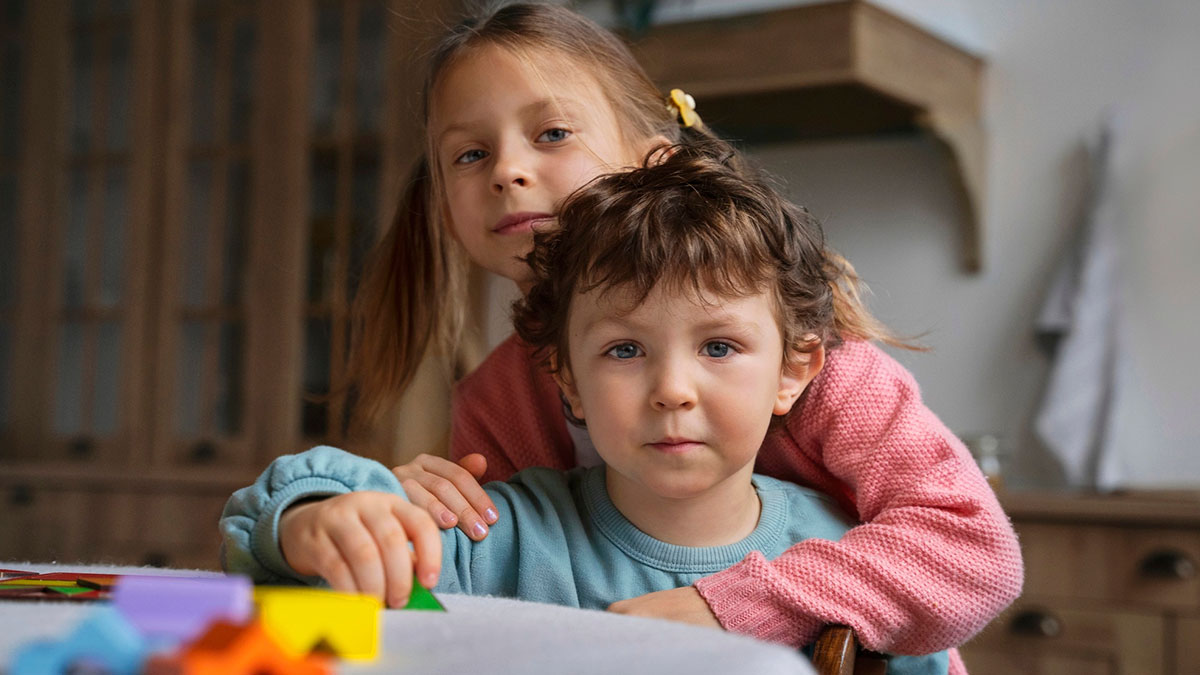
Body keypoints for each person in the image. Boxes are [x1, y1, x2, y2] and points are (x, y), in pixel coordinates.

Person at [333, 2, 1021, 668]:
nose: (507, 171)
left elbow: (974, 550)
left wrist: (729, 605)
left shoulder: (819, 358)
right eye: (470, 153)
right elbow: (506, 597)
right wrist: (392, 513)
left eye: (552, 134)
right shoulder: (494, 400)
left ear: (653, 160)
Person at [221, 142, 949, 673]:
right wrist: (316, 515)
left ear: (794, 372)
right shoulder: (504, 539)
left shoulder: (847, 560)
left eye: (720, 346)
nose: (673, 388)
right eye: (625, 350)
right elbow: (288, 612)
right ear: (566, 381)